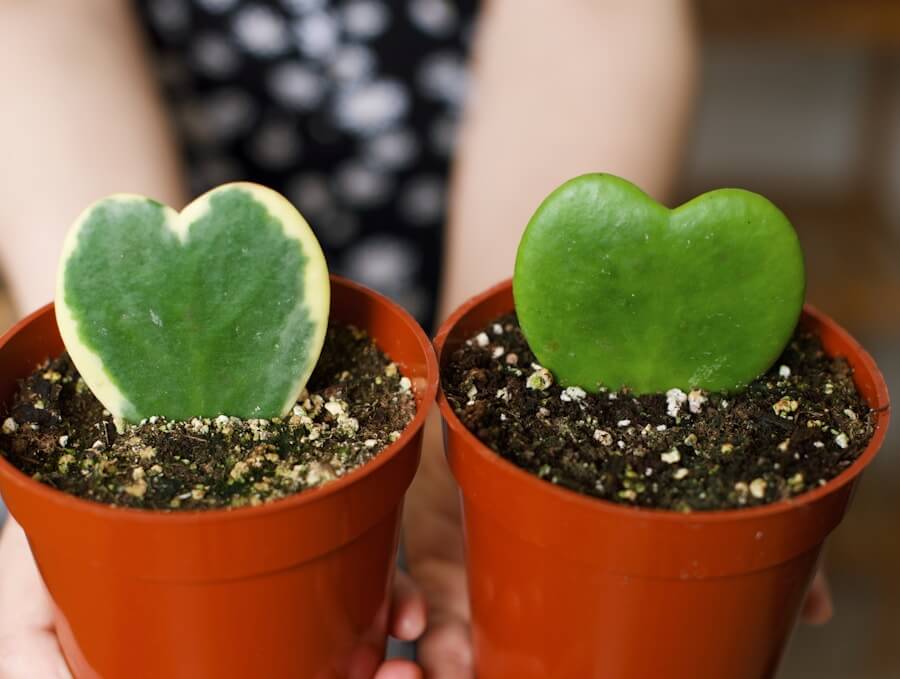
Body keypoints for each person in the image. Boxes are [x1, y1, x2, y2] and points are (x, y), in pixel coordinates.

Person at [0, 2, 831, 678]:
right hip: (114, 152)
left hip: (490, 196)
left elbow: (595, 13)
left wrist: (470, 424)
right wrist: (117, 318)